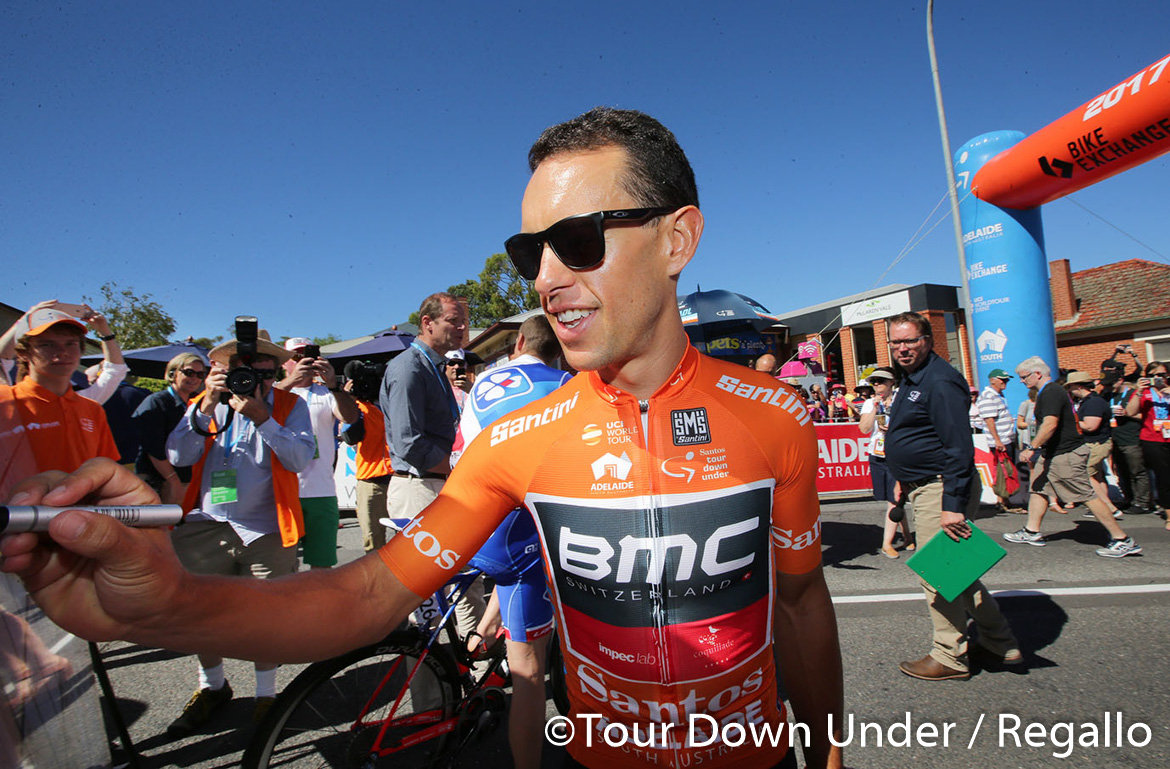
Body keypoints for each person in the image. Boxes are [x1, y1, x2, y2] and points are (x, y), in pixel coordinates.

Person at [1, 107, 844, 769]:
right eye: (531, 252)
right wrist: (172, 605)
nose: (547, 279)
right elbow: (364, 594)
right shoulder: (522, 437)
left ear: (677, 239)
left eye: (578, 241)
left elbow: (803, 604)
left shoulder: (775, 413)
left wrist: (830, 752)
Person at [162, 330, 315, 733]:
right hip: (207, 525)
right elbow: (178, 454)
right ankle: (212, 686)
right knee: (200, 614)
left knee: (266, 619)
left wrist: (264, 419)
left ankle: (266, 697)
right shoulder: (207, 402)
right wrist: (207, 403)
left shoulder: (291, 405)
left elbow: (299, 459)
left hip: (267, 529)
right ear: (227, 371)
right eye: (245, 370)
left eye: (265, 372)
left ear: (276, 372)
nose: (255, 380)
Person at [451, 314, 569, 769]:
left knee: (510, 581)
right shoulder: (565, 386)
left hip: (469, 520)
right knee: (531, 674)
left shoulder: (481, 383)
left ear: (518, 342)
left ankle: (481, 640)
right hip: (516, 536)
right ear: (561, 350)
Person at [882, 312, 1020, 681]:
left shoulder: (940, 381)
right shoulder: (913, 377)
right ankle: (1001, 642)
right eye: (896, 342)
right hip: (923, 484)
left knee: (938, 574)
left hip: (941, 487)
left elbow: (958, 448)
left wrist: (952, 505)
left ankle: (949, 656)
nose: (902, 349)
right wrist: (903, 479)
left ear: (927, 340)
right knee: (957, 572)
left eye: (910, 341)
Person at [378, 293, 485, 640]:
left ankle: (473, 664)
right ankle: (428, 675)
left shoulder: (435, 367)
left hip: (440, 486)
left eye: (464, 321)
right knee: (422, 596)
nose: (462, 328)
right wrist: (457, 467)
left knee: (465, 582)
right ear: (427, 323)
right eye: (454, 320)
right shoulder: (408, 368)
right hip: (419, 488)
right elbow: (409, 444)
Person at [1004, 356, 1141, 556]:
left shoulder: (1051, 392)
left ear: (1037, 374)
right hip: (1052, 453)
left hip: (1066, 454)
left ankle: (1122, 539)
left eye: (1024, 377)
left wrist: (1032, 447)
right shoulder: (1046, 392)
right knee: (1038, 488)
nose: (1021, 381)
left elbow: (1050, 424)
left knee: (1085, 495)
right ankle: (1031, 531)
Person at [0, 307, 119, 501]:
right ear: (23, 353)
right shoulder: (5, 401)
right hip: (15, 515)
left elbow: (105, 470)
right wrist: (28, 316)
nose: (62, 352)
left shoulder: (92, 409)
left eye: (71, 343)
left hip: (78, 514)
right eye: (47, 344)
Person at [276, 338, 361, 569]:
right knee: (281, 568)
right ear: (284, 363)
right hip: (282, 492)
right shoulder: (274, 392)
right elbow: (263, 408)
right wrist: (291, 381)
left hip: (321, 492)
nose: (303, 361)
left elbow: (350, 417)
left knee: (321, 567)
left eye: (308, 356)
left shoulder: (326, 393)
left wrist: (333, 384)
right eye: (296, 356)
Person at [132, 353, 207, 503]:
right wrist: (173, 481)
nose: (195, 378)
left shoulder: (196, 404)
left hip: (183, 480)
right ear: (173, 373)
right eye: (189, 372)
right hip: (157, 481)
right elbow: (153, 448)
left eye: (200, 375)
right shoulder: (156, 402)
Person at [857, 366, 914, 558]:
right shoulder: (869, 403)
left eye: (880, 381)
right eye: (873, 382)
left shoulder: (900, 399)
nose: (876, 385)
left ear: (891, 382)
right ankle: (907, 536)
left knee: (895, 498)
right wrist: (874, 408)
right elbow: (864, 429)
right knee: (892, 497)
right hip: (877, 454)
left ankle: (886, 543)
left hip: (897, 455)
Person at [338, 360, 393, 552]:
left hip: (397, 479)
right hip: (371, 483)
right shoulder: (357, 409)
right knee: (373, 541)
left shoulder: (391, 405)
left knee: (405, 538)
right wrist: (347, 399)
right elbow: (350, 437)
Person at [1064, 371, 1123, 519]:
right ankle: (1104, 506)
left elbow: (1090, 426)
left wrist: (1070, 422)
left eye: (1071, 387)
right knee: (1097, 475)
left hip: (1096, 443)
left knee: (1085, 474)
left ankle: (1110, 508)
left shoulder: (1093, 402)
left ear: (1078, 386)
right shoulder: (1088, 401)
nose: (1070, 391)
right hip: (1096, 443)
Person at [1125, 360, 1170, 527]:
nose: (1157, 378)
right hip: (1153, 439)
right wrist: (1138, 391)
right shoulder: (1145, 393)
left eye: (1161, 375)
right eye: (1152, 375)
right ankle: (1169, 515)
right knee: (1164, 477)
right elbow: (1130, 412)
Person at [976, 368, 1023, 513]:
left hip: (1005, 438)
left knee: (1005, 471)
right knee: (1003, 471)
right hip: (1000, 440)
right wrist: (997, 440)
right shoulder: (987, 397)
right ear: (992, 380)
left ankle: (1003, 501)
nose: (1005, 382)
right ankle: (1002, 502)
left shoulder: (998, 396)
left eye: (1006, 380)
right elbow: (989, 420)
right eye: (1002, 380)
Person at [1110, 373, 1154, 514]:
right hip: (1115, 439)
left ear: (1120, 380)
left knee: (1137, 471)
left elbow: (1146, 415)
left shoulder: (1133, 394)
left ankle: (1143, 502)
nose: (1109, 386)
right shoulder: (1108, 396)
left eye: (1111, 383)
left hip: (1132, 439)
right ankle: (1129, 498)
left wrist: (1127, 413)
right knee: (1122, 472)